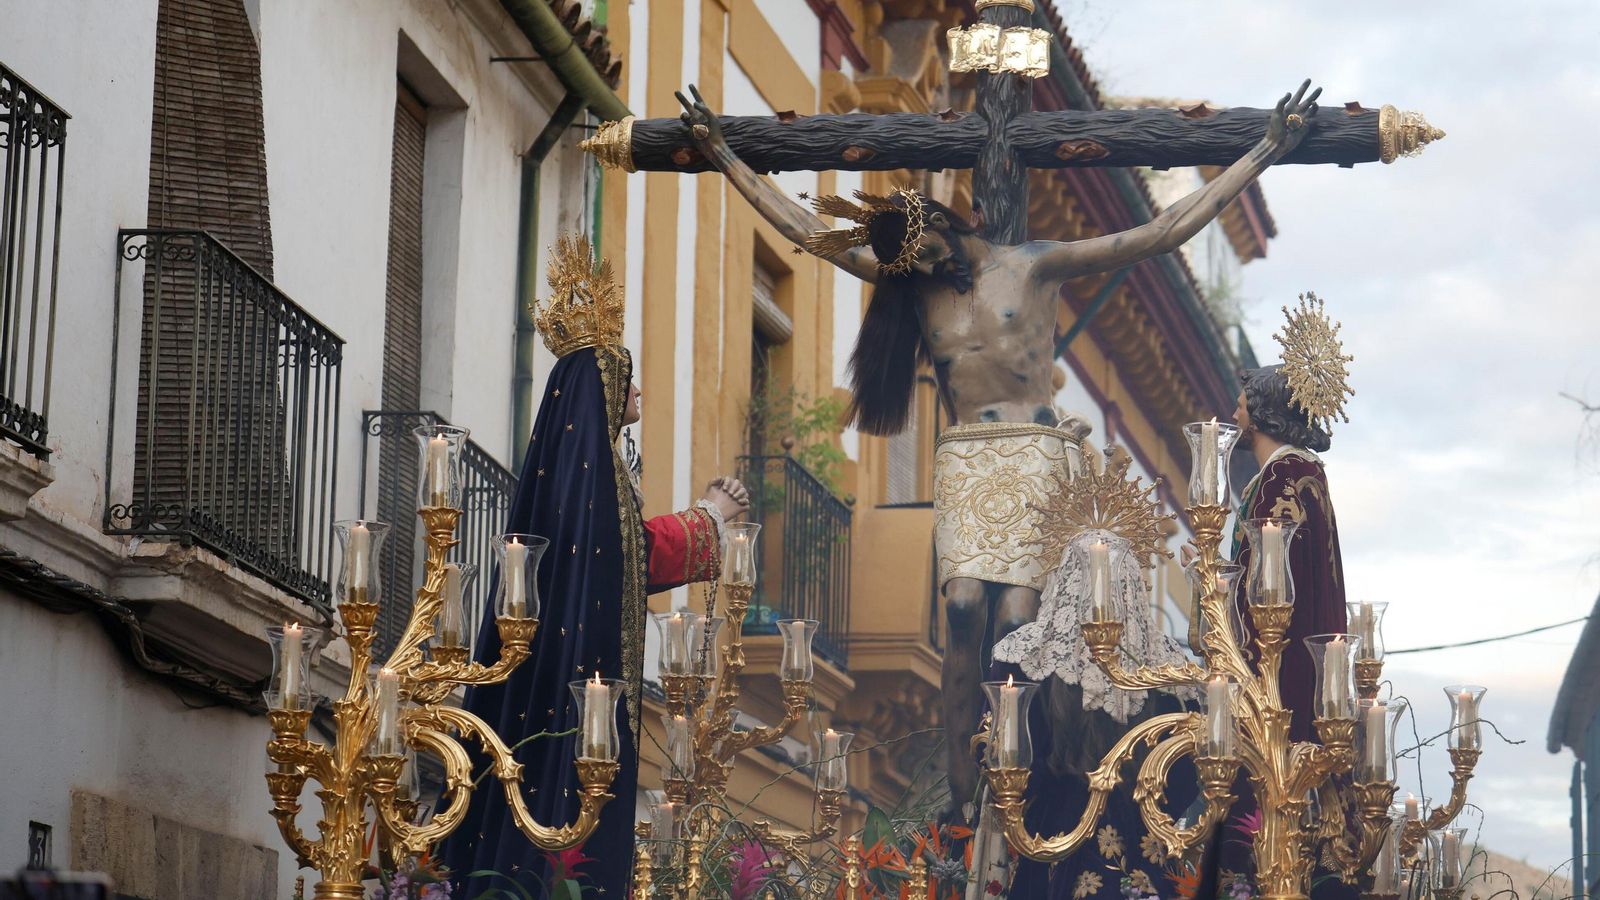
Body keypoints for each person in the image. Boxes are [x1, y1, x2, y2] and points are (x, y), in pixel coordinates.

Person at [676, 80, 1324, 820]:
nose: (915, 274)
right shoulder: (916, 288)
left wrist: (1264, 150)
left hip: (1037, 449)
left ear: (944, 229)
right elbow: (806, 229)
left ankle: (1031, 776)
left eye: (921, 259)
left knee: (1017, 618)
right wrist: (725, 154)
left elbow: (1159, 234)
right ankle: (964, 795)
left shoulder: (1033, 265)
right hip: (968, 453)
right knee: (958, 610)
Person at [443, 235, 749, 898]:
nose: (636, 390)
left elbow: (615, 552)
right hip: (575, 685)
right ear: (601, 391)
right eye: (624, 376)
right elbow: (619, 553)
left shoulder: (588, 471)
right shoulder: (591, 476)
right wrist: (709, 520)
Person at [1193, 294, 1355, 900]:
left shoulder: (1284, 480)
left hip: (1275, 678)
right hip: (1294, 673)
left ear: (1259, 414)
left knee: (1259, 819)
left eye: (1242, 399)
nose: (1233, 407)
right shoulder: (1298, 476)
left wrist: (1215, 590)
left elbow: (1269, 586)